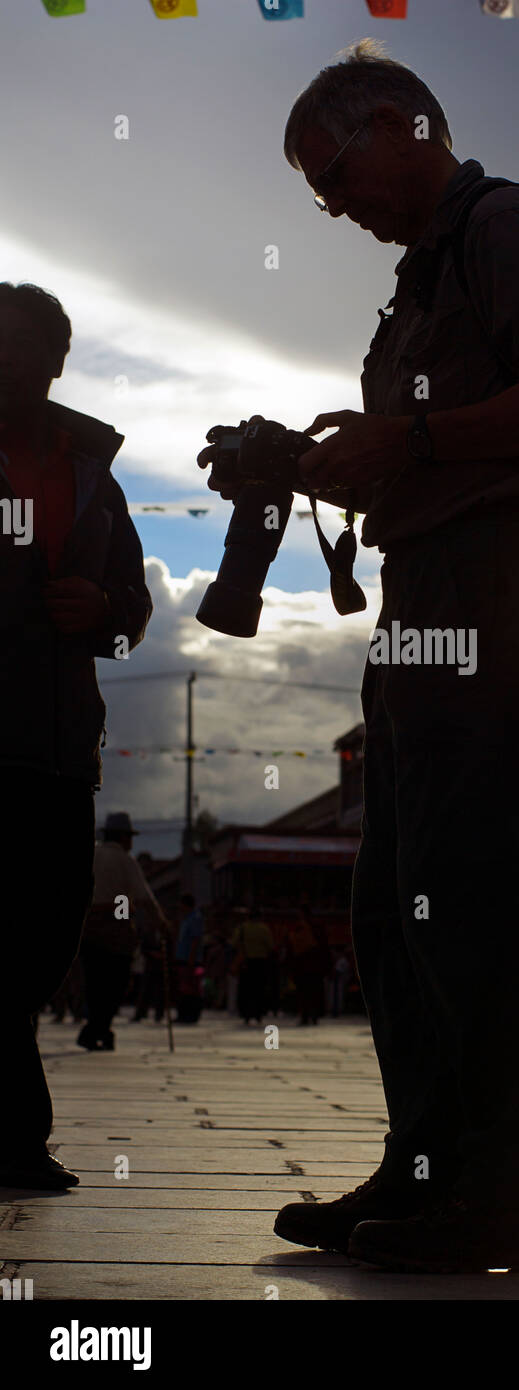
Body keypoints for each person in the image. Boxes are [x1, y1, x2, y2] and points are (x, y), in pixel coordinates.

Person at [251, 41, 519, 1274]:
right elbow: (422, 444)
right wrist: (314, 461)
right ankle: (426, 1169)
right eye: (314, 187)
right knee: (393, 899)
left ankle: (518, 1191)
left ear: (404, 124)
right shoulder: (419, 281)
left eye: (334, 171)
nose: (330, 203)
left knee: (470, 885)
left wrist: (402, 437)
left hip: (498, 578)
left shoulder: (511, 224)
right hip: (423, 587)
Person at [0, 283, 152, 1191]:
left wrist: (104, 609)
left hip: (58, 746)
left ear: (58, 360)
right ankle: (17, 1137)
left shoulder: (93, 476)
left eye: (25, 345)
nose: (8, 359)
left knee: (46, 936)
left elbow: (135, 612)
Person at [78, 813, 167, 1050]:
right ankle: (97, 1029)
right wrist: (161, 922)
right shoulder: (125, 860)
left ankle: (100, 1029)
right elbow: (143, 897)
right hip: (116, 930)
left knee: (95, 984)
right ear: (122, 837)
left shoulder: (92, 855)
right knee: (115, 984)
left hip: (88, 928)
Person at [231, 908, 276, 1024]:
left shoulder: (242, 928)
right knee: (259, 988)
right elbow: (270, 946)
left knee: (245, 988)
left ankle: (246, 1013)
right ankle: (258, 1013)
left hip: (245, 962)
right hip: (260, 962)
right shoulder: (264, 929)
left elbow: (234, 943)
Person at [173, 893, 205, 1024]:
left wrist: (191, 959)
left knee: (191, 988)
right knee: (183, 987)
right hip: (183, 958)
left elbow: (195, 940)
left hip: (190, 959)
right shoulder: (186, 919)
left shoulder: (195, 918)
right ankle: (183, 1013)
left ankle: (191, 1014)